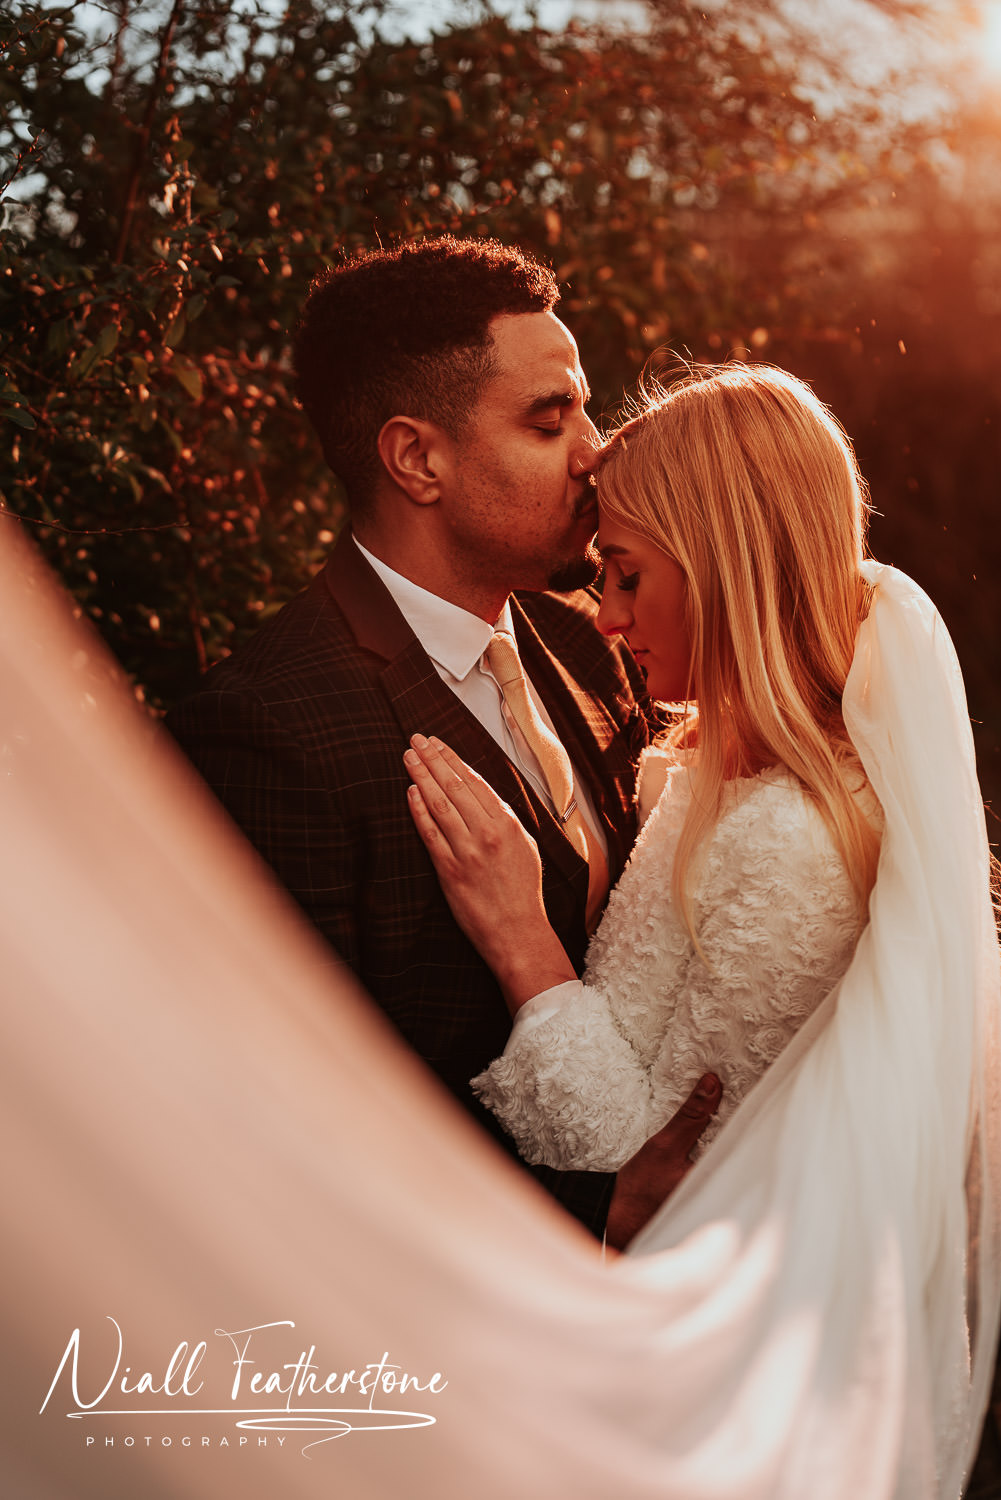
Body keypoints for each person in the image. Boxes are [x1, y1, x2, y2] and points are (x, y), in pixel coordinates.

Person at [403, 362, 1001, 1492]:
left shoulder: (790, 834)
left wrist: (522, 945)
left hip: (693, 1389)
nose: (606, 614)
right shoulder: (708, 767)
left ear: (726, 569)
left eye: (625, 575)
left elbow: (655, 1165)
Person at [165, 235, 718, 1244]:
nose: (595, 448)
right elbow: (297, 1111)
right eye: (550, 420)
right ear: (416, 458)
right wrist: (596, 1210)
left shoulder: (588, 647)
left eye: (584, 407)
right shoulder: (264, 731)